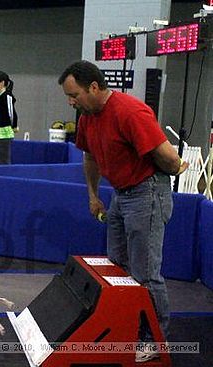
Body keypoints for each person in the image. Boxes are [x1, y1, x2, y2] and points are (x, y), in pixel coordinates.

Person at [58, 60, 189, 363]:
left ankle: (155, 339)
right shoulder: (88, 116)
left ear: (94, 87)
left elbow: (168, 157)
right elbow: (90, 158)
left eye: (74, 95)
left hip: (147, 193)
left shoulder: (130, 111)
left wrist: (176, 168)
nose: (70, 102)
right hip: (120, 195)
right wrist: (93, 195)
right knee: (117, 268)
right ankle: (126, 329)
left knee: (145, 274)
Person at [0, 71, 18, 164]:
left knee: (4, 161)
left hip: (5, 133)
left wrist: (14, 126)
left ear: (2, 83)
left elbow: (12, 113)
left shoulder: (7, 96)